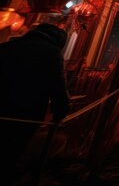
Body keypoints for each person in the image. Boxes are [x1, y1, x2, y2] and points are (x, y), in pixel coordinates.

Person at [0, 24, 70, 181]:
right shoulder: (52, 53)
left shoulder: (8, 45)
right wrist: (61, 111)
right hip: (27, 110)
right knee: (12, 148)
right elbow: (57, 85)